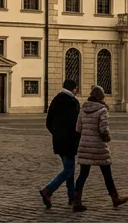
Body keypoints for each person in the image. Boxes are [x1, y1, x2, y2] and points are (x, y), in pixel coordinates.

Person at [72, 85, 128, 211]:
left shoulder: (83, 109)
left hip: (85, 145)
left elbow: (78, 128)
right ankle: (115, 198)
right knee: (107, 174)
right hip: (98, 146)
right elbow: (103, 130)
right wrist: (107, 138)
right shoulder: (102, 110)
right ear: (101, 97)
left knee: (83, 175)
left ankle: (76, 201)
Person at [39, 79, 81, 209]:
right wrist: (75, 137)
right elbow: (77, 125)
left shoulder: (56, 100)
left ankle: (71, 197)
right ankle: (48, 190)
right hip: (70, 141)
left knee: (70, 169)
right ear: (74, 89)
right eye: (76, 88)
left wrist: (57, 134)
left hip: (58, 140)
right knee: (69, 169)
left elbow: (48, 122)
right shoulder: (73, 102)